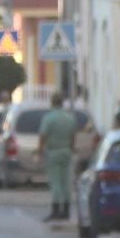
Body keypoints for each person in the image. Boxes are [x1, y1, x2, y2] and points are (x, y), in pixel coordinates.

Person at [36, 91, 79, 223]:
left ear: (52, 102)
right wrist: (71, 148)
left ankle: (56, 210)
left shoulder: (49, 118)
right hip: (66, 151)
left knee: (55, 181)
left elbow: (43, 135)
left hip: (53, 151)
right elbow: (73, 136)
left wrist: (40, 150)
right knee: (66, 181)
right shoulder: (69, 118)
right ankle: (66, 210)